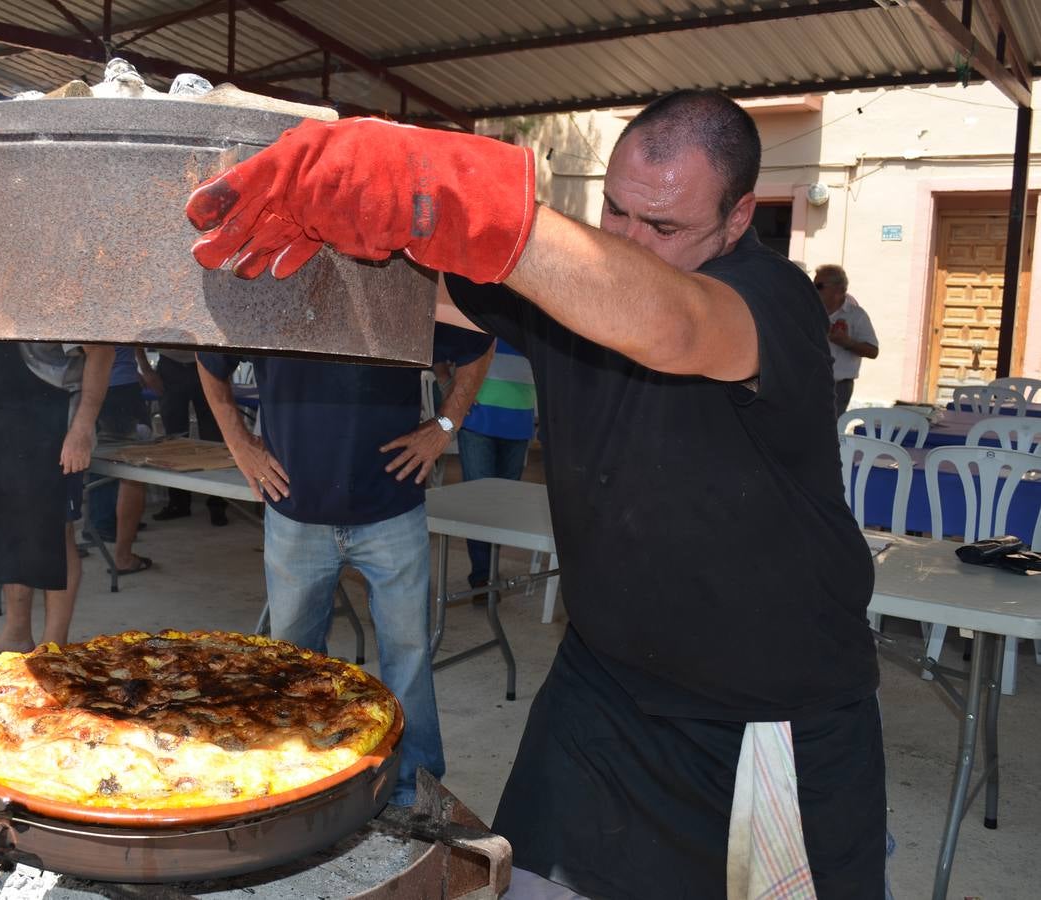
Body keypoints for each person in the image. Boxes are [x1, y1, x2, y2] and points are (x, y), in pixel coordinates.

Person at [183, 91, 885, 897]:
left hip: (767, 716)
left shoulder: (772, 300)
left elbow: (673, 326)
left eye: (664, 228)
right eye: (617, 212)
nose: (631, 240)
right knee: (518, 884)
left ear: (737, 220)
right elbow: (423, 295)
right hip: (605, 686)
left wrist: (465, 194)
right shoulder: (585, 289)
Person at [196, 323, 494, 808]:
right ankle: (301, 783)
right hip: (295, 510)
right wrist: (240, 444)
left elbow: (480, 344)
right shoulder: (273, 289)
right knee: (293, 662)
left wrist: (444, 426)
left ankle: (410, 790)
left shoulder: (391, 282)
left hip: (391, 508)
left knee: (408, 655)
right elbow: (209, 360)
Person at [0, 341, 114, 663]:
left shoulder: (60, 292)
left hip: (55, 421)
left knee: (56, 533)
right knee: (11, 527)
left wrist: (82, 428)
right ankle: (15, 634)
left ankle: (53, 647)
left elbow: (101, 350)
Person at [456, 338, 536, 591]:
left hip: (520, 418)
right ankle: (482, 576)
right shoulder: (481, 309)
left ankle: (489, 570)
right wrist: (448, 384)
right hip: (477, 419)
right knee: (478, 501)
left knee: (502, 505)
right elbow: (441, 344)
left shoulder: (536, 317)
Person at [97, 345, 159, 575]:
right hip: (119, 387)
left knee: (93, 464)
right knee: (133, 472)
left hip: (88, 386)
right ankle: (123, 556)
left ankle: (100, 524)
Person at [150, 348, 229, 526]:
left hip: (206, 360)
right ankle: (179, 502)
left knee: (213, 439)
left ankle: (217, 503)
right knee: (174, 439)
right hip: (170, 364)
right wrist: (146, 368)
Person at [816, 264, 879, 416]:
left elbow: (873, 351)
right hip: (807, 383)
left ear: (839, 290)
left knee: (827, 433)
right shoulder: (810, 310)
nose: (813, 289)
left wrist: (846, 342)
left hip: (837, 387)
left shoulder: (856, 315)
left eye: (818, 285)